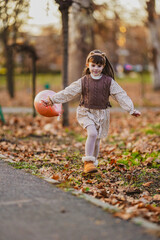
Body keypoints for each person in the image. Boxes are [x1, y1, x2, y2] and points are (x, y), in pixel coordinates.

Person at [42, 50, 141, 174]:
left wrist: (131, 109)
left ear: (103, 66)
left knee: (97, 140)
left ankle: (93, 164)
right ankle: (87, 162)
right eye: (93, 65)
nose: (96, 68)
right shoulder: (83, 81)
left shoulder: (109, 82)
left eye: (99, 66)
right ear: (88, 65)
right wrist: (51, 100)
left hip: (102, 115)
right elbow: (68, 92)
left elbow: (121, 95)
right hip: (86, 112)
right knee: (92, 134)